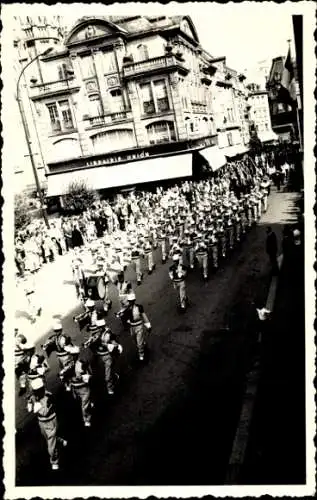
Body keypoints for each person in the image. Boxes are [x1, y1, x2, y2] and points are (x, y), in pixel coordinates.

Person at [27, 377, 67, 470]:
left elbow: (44, 412)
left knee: (50, 444)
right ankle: (60, 441)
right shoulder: (33, 397)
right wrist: (29, 402)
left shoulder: (49, 397)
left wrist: (36, 402)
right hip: (41, 422)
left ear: (42, 389)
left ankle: (54, 461)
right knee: (48, 438)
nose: (37, 393)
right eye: (35, 391)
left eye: (38, 390)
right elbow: (29, 409)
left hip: (50, 421)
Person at [84, 319, 123, 395]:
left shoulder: (109, 334)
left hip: (108, 355)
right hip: (101, 355)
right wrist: (90, 341)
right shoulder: (98, 333)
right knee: (108, 370)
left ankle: (110, 389)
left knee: (107, 376)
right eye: (97, 327)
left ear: (102, 327)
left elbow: (114, 345)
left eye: (99, 327)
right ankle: (114, 376)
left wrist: (102, 344)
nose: (97, 329)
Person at [42, 321, 77, 391]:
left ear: (61, 330)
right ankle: (68, 383)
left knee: (67, 369)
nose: (56, 332)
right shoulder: (55, 337)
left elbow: (68, 346)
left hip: (66, 356)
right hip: (59, 357)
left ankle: (70, 382)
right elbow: (49, 342)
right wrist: (46, 344)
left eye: (58, 331)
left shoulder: (65, 337)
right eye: (55, 331)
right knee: (63, 369)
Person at [68, 346, 93, 427]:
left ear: (77, 355)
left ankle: (87, 420)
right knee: (79, 403)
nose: (72, 356)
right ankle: (89, 403)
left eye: (74, 355)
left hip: (83, 388)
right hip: (74, 389)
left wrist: (82, 377)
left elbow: (90, 375)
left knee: (84, 407)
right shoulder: (68, 364)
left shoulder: (83, 363)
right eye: (71, 355)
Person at [125, 292, 151, 361]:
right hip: (132, 327)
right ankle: (142, 344)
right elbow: (126, 317)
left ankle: (141, 355)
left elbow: (144, 316)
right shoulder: (127, 309)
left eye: (131, 301)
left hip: (139, 326)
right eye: (129, 301)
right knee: (134, 340)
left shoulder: (139, 307)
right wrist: (127, 321)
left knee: (139, 342)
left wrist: (148, 325)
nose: (130, 302)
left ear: (134, 301)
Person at [15, 326, 34, 396]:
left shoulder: (20, 337)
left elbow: (27, 346)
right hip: (15, 359)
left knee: (27, 371)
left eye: (15, 330)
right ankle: (23, 387)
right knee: (19, 373)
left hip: (22, 357)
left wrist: (27, 356)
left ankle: (33, 385)